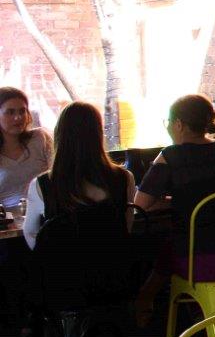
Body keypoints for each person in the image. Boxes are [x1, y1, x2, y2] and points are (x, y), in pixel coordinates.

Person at [134, 95, 215, 281]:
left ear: (179, 124)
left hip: (202, 259)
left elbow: (140, 204)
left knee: (161, 253)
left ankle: (150, 300)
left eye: (168, 122)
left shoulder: (171, 155)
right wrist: (186, 199)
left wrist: (177, 201)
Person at [23, 102, 134, 249]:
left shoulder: (42, 185)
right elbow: (126, 227)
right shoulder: (124, 178)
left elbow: (31, 233)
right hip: (114, 261)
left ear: (59, 135)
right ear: (99, 134)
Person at [0, 87, 53, 211]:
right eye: (10, 112)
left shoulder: (40, 138)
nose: (18, 117)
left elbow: (59, 174)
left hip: (47, 212)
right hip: (9, 219)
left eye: (22, 111)